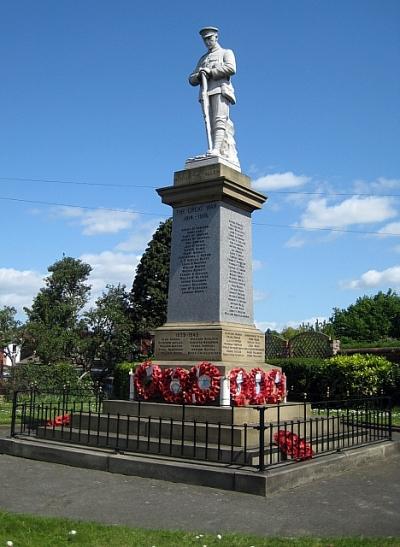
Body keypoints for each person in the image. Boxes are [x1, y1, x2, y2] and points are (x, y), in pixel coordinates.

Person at [189, 27, 239, 167]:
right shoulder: (203, 58)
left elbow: (231, 68)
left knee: (219, 120)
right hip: (205, 93)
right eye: (205, 40)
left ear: (216, 37)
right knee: (209, 122)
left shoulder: (226, 52)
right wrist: (198, 75)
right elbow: (191, 79)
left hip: (220, 90)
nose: (207, 42)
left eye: (210, 38)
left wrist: (211, 72)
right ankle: (212, 149)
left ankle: (217, 149)